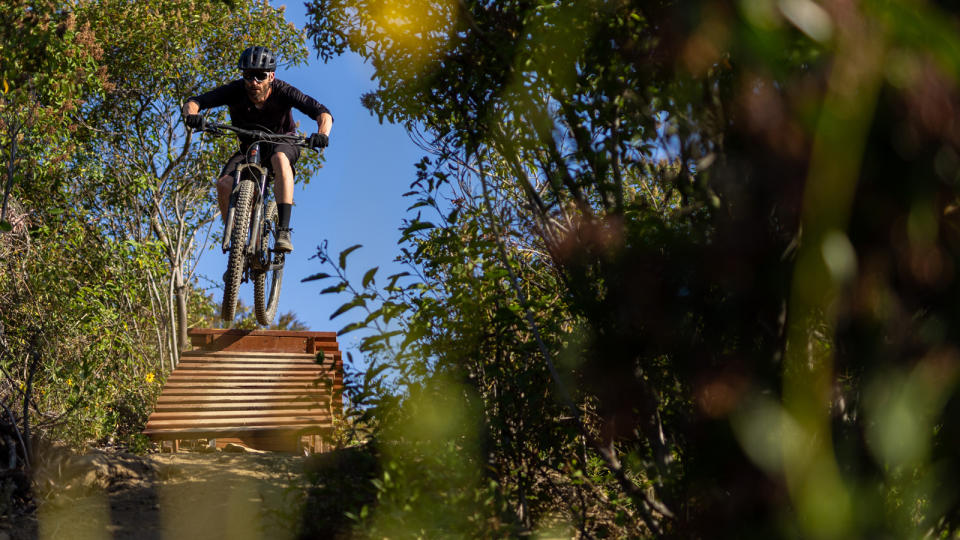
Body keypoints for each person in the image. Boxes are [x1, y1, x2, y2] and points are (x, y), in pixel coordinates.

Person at [181, 45, 333, 253]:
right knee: (224, 184)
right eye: (248, 75)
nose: (254, 82)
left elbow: (322, 112)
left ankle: (283, 231)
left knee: (279, 158)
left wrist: (322, 134)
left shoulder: (284, 91)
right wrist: (192, 116)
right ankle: (237, 249)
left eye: (260, 76)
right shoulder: (235, 91)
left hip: (282, 142)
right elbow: (195, 101)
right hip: (249, 147)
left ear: (271, 76)